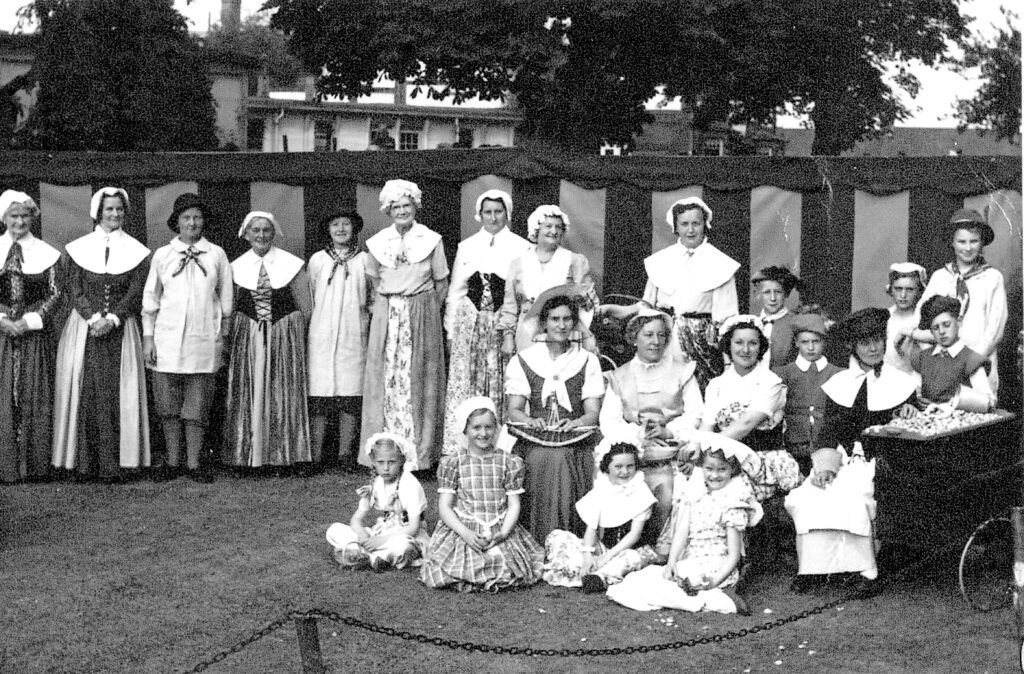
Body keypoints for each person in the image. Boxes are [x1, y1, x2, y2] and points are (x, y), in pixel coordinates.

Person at [52, 187, 151, 483]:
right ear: (98, 212)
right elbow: (74, 288)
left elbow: (136, 292)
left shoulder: (138, 251)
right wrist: (94, 317)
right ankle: (85, 463)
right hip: (84, 328)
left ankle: (118, 463)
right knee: (85, 389)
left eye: (119, 209)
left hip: (122, 331)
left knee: (120, 392)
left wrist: (115, 318)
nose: (115, 214)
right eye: (109, 209)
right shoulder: (76, 249)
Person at [606, 440, 762, 615]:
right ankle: (703, 595)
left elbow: (733, 555)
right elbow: (681, 533)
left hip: (715, 565)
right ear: (701, 468)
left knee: (667, 584)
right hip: (691, 559)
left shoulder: (731, 503)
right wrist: (671, 562)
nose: (714, 475)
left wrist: (714, 581)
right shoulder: (696, 495)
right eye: (709, 469)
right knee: (639, 580)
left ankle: (720, 600)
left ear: (732, 470)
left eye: (722, 469)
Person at [142, 193, 232, 483]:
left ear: (203, 222)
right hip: (166, 341)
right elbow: (150, 299)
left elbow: (225, 299)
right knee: (167, 405)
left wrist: (223, 336)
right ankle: (172, 461)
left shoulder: (216, 254)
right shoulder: (163, 255)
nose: (192, 223)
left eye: (197, 217)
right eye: (186, 218)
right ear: (176, 222)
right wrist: (148, 338)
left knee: (197, 405)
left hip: (204, 339)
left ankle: (193, 464)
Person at [360, 180, 448, 472]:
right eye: (395, 206)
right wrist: (386, 308)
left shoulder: (432, 240)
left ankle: (421, 456)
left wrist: (426, 309)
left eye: (406, 205)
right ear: (388, 210)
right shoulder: (377, 242)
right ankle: (383, 455)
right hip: (388, 312)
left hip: (421, 311)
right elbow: (373, 282)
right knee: (386, 379)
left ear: (415, 207)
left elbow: (441, 283)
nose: (402, 211)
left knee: (422, 378)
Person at [505, 289, 604, 544]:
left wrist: (576, 422)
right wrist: (530, 421)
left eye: (567, 319)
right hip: (535, 438)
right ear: (543, 323)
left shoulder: (587, 360)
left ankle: (566, 538)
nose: (561, 325)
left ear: (574, 322)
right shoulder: (523, 360)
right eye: (555, 319)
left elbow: (592, 414)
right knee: (540, 456)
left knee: (561, 456)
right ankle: (536, 537)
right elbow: (514, 410)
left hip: (576, 439)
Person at [599, 307, 704, 541]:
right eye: (648, 335)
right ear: (634, 338)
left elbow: (696, 413)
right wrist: (638, 434)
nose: (656, 342)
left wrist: (669, 430)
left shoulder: (682, 371)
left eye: (661, 335)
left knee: (672, 487)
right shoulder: (620, 375)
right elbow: (609, 421)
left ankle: (666, 544)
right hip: (634, 451)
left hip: (672, 449)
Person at [420, 397, 544, 592]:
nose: (483, 433)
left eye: (489, 427)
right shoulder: (454, 462)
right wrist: (466, 533)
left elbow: (514, 504)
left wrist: (503, 533)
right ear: (465, 429)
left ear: (496, 428)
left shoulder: (509, 462)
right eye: (476, 427)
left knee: (505, 562)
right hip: (465, 528)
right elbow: (444, 506)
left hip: (499, 527)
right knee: (458, 564)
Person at [442, 189, 530, 455]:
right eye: (487, 212)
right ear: (479, 214)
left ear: (507, 214)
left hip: (504, 324)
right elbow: (456, 291)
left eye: (498, 212)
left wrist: (512, 330)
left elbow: (521, 293)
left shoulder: (521, 246)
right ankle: (465, 447)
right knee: (469, 382)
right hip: (471, 324)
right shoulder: (467, 246)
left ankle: (503, 446)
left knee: (504, 382)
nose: (493, 218)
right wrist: (450, 331)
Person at [222, 211, 312, 470]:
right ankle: (247, 455)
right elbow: (230, 305)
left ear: (274, 233)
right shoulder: (236, 267)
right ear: (246, 234)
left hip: (283, 336)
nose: (261, 235)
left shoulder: (291, 265)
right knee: (248, 391)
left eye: (266, 230)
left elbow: (306, 309)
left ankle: (284, 455)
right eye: (256, 230)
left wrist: (288, 330)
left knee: (282, 392)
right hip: (248, 337)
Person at [642, 197, 739, 393]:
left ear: (705, 225)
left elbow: (727, 318)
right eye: (684, 224)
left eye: (696, 223)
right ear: (676, 227)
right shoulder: (660, 260)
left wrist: (728, 362)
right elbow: (646, 305)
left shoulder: (720, 264)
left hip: (700, 341)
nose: (690, 230)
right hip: (662, 337)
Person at [700, 315, 798, 502]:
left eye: (752, 343)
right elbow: (707, 425)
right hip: (722, 459)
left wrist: (708, 449)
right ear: (728, 346)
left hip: (761, 461)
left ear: (760, 348)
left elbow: (746, 424)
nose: (745, 350)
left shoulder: (770, 381)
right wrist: (696, 447)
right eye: (738, 342)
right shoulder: (716, 384)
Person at [0, 190, 62, 484]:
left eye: (25, 215)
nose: (20, 221)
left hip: (32, 337)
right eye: (14, 215)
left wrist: (29, 321)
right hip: (0, 335)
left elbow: (55, 293)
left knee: (33, 397)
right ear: (4, 218)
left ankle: (33, 466)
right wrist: (2, 321)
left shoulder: (46, 253)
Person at [541, 442, 659, 592]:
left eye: (630, 466)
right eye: (618, 466)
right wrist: (587, 555)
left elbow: (634, 535)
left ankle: (600, 577)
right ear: (607, 467)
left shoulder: (641, 491)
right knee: (558, 537)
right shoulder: (602, 488)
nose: (625, 471)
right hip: (603, 547)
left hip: (628, 549)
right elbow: (592, 528)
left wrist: (607, 557)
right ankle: (586, 570)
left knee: (630, 559)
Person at [307, 210, 370, 472]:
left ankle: (345, 455)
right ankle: (317, 455)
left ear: (354, 229)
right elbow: (311, 295)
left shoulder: (365, 260)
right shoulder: (317, 260)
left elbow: (373, 296)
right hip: (322, 334)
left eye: (346, 224)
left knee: (349, 395)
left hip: (353, 333)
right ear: (328, 229)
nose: (341, 229)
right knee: (320, 395)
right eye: (335, 224)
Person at [918, 208, 1007, 391]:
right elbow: (921, 320)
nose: (967, 248)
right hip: (941, 365)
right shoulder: (940, 277)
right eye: (961, 241)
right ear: (952, 242)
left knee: (978, 411)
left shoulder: (992, 278)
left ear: (982, 243)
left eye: (974, 241)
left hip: (977, 364)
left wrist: (969, 362)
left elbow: (995, 330)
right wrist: (931, 356)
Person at [497, 204, 599, 354]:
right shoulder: (518, 263)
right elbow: (510, 306)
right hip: (527, 332)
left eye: (558, 227)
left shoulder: (575, 261)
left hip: (564, 332)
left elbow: (588, 303)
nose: (554, 231)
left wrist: (587, 336)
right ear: (536, 229)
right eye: (548, 226)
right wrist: (508, 338)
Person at [326, 433, 429, 571]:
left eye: (391, 462)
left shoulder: (410, 484)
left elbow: (413, 528)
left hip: (406, 534)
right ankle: (373, 554)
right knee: (334, 530)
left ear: (401, 461)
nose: (386, 468)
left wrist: (381, 541)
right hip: (382, 530)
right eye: (381, 462)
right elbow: (356, 518)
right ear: (373, 462)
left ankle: (365, 555)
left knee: (402, 547)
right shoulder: (376, 483)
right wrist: (362, 533)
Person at [772, 312, 843, 475]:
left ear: (824, 342)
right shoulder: (782, 373)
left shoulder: (838, 373)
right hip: (792, 449)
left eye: (816, 341)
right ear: (796, 342)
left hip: (827, 449)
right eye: (805, 342)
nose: (811, 348)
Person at [909, 295, 994, 411]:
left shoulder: (971, 360)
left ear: (959, 322)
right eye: (935, 328)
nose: (942, 332)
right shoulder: (924, 358)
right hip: (928, 423)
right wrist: (917, 398)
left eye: (946, 325)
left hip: (962, 424)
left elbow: (988, 402)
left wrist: (951, 404)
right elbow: (914, 389)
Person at [752, 265, 802, 368]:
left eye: (778, 292)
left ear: (786, 294)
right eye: (767, 292)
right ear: (757, 294)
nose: (773, 298)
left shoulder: (796, 324)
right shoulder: (751, 323)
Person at [884, 262, 927, 374]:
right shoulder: (884, 318)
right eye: (898, 289)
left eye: (909, 289)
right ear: (891, 290)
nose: (903, 295)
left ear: (919, 291)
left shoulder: (923, 320)